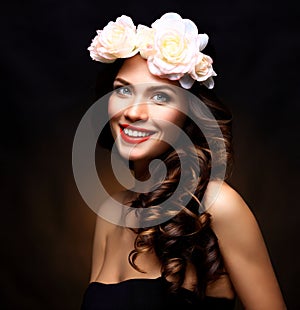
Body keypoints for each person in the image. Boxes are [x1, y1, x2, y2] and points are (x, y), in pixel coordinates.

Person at [79, 12, 286, 309]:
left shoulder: (216, 204)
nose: (134, 112)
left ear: (189, 114)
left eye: (160, 97)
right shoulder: (109, 213)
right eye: (123, 90)